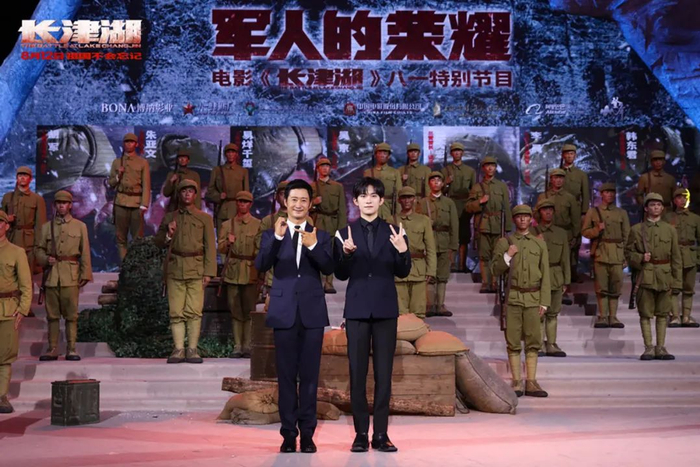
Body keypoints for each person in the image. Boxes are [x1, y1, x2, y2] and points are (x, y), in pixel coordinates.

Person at [255, 179, 334, 454]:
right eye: (294, 200)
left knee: (310, 377)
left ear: (310, 204)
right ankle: (288, 434)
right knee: (286, 376)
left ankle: (308, 434)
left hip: (312, 313)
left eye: (303, 200)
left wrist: (313, 246)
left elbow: (329, 267)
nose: (298, 205)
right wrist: (277, 239)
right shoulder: (271, 233)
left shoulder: (321, 235)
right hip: (284, 311)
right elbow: (261, 264)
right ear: (285, 202)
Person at [334, 177, 411, 453]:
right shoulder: (344, 233)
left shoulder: (395, 231)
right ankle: (360, 434)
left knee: (383, 374)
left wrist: (403, 251)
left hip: (385, 310)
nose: (368, 200)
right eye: (363, 195)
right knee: (357, 373)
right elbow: (340, 274)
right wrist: (345, 255)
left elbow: (403, 271)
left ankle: (381, 434)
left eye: (373, 195)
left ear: (381, 200)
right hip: (356, 310)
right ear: (355, 201)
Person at [155, 180, 216, 365]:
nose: (187, 194)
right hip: (175, 269)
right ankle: (179, 348)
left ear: (195, 195)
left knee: (194, 312)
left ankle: (192, 349)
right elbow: (158, 242)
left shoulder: (204, 218)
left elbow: (210, 248)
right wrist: (168, 234)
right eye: (184, 191)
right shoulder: (170, 217)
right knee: (176, 311)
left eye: (191, 191)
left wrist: (209, 272)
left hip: (196, 269)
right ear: (179, 194)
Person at [492, 205, 550, 398]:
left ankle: (531, 381)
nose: (523, 220)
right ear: (514, 220)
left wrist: (544, 301)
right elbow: (495, 269)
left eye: (526, 216)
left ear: (531, 219)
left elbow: (545, 274)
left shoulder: (539, 244)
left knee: (533, 341)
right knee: (513, 340)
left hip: (533, 298)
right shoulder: (505, 242)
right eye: (519, 217)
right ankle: (517, 381)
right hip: (514, 298)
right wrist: (507, 255)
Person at [35, 191, 93, 361]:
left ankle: (71, 348)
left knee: (71, 315)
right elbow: (38, 250)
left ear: (70, 205)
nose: (61, 205)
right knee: (52, 315)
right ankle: (52, 348)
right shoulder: (47, 227)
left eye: (65, 203)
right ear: (55, 205)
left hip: (70, 274)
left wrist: (86, 273)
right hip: (52, 276)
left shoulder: (80, 226)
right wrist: (45, 259)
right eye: (58, 203)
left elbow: (85, 251)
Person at [625, 193, 682, 360]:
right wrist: (640, 258)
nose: (655, 207)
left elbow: (676, 257)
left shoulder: (670, 230)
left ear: (662, 208)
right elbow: (628, 253)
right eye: (652, 205)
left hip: (665, 275)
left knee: (663, 314)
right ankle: (649, 347)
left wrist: (677, 281)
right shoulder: (636, 230)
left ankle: (661, 347)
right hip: (645, 275)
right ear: (646, 208)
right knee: (645, 314)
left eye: (658, 205)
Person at [218, 191, 261, 358]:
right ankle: (237, 346)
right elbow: (220, 248)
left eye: (245, 202)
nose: (242, 204)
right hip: (233, 272)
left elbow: (260, 248)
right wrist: (227, 243)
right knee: (235, 310)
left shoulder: (257, 225)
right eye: (240, 201)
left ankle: (248, 345)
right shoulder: (227, 225)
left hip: (250, 272)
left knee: (249, 310)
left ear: (250, 204)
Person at [581, 182, 630, 328]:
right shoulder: (593, 212)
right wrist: (597, 230)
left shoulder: (621, 213)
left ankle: (613, 317)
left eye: (612, 192)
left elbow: (627, 236)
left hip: (617, 254)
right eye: (606, 192)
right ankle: (603, 316)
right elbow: (585, 232)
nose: (610, 195)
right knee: (601, 287)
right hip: (600, 253)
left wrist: (626, 256)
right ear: (601, 194)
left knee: (615, 287)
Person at [0, 210, 32, 414]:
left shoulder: (17, 252)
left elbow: (26, 285)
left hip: (8, 309)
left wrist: (23, 310)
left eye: (0, 222)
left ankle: (1, 396)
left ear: (6, 226)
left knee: (5, 356)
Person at [466, 156, 512, 293]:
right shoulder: (477, 187)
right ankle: (486, 283)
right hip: (483, 225)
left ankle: (496, 282)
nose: (490, 168)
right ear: (483, 168)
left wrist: (507, 227)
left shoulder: (502, 186)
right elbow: (468, 207)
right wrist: (479, 202)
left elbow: (506, 208)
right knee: (484, 256)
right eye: (487, 165)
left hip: (498, 225)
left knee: (498, 255)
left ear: (496, 168)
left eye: (493, 165)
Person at [416, 172, 458, 316]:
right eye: (433, 180)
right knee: (430, 275)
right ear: (429, 184)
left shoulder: (449, 203)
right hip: (428, 242)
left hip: (444, 241)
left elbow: (454, 226)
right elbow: (417, 224)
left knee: (443, 276)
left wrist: (453, 246)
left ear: (442, 183)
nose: (436, 182)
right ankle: (429, 305)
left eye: (438, 180)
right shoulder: (422, 203)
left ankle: (440, 305)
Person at [532, 198, 570, 357]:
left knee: (553, 313)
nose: (548, 212)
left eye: (550, 209)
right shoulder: (532, 232)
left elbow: (565, 258)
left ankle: (551, 344)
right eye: (544, 209)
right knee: (539, 312)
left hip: (555, 275)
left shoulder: (561, 233)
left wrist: (566, 280)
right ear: (539, 212)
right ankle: (539, 344)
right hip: (538, 275)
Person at [108, 133, 151, 261]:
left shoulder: (142, 162)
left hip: (136, 203)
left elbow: (146, 185)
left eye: (132, 142)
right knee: (121, 238)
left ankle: (136, 268)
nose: (129, 144)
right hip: (120, 202)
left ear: (136, 144)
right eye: (127, 142)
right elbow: (110, 183)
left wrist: (144, 204)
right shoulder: (117, 162)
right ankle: (125, 267)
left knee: (138, 238)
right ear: (123, 144)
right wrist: (118, 176)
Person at [395, 186, 436, 320]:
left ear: (414, 199)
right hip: (398, 269)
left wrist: (431, 270)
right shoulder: (392, 220)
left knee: (418, 313)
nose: (407, 200)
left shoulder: (423, 220)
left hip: (418, 269)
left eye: (410, 197)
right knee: (400, 313)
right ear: (399, 200)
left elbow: (430, 248)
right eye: (404, 197)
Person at [662, 188, 700, 328]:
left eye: (684, 197)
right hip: (673, 256)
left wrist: (698, 257)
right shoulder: (667, 218)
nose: (682, 200)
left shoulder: (695, 218)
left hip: (690, 256)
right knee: (673, 287)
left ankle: (686, 317)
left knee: (689, 288)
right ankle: (675, 316)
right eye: (679, 197)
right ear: (674, 200)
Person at [311, 157, 347, 294]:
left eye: (327, 166)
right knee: (317, 252)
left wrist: (341, 229)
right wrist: (314, 203)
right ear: (318, 169)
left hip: (332, 222)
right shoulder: (312, 186)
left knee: (331, 253)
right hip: (318, 221)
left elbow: (342, 209)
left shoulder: (338, 187)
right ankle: (317, 281)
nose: (325, 168)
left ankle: (329, 283)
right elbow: (305, 206)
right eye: (322, 166)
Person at [1, 166, 47, 274]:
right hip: (10, 240)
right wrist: (7, 218)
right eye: (20, 175)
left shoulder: (37, 199)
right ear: (16, 178)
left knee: (26, 274)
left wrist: (38, 247)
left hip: (29, 244)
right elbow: (1, 220)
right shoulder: (8, 197)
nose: (22, 178)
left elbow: (40, 226)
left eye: (25, 175)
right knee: (8, 274)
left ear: (30, 179)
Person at [441, 142, 476, 272]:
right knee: (451, 236)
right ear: (451, 154)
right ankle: (451, 265)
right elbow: (439, 190)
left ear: (462, 153)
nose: (457, 153)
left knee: (464, 237)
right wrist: (446, 183)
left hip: (465, 207)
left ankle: (462, 265)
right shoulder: (445, 171)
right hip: (450, 205)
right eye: (454, 151)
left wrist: (471, 206)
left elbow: (473, 191)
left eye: (459, 151)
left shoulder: (470, 171)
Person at [560, 143, 589, 283]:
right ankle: (561, 273)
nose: (569, 156)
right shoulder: (557, 173)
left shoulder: (581, 174)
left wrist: (584, 213)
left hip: (576, 211)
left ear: (575, 156)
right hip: (560, 211)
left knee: (575, 241)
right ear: (562, 156)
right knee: (560, 241)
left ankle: (573, 271)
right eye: (567, 153)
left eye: (571, 154)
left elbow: (585, 195)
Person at [206, 143, 250, 231]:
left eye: (233, 152)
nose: (230, 154)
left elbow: (246, 195)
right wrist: (218, 196)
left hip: (237, 211)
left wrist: (244, 211)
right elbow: (210, 192)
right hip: (221, 210)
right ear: (225, 154)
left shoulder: (243, 171)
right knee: (222, 237)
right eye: (228, 152)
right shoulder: (217, 170)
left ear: (236, 154)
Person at [363, 143, 401, 222]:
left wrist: (398, 214)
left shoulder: (394, 172)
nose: (382, 155)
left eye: (385, 153)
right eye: (380, 153)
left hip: (389, 209)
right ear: (375, 155)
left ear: (389, 156)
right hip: (372, 208)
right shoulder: (368, 173)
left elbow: (398, 194)